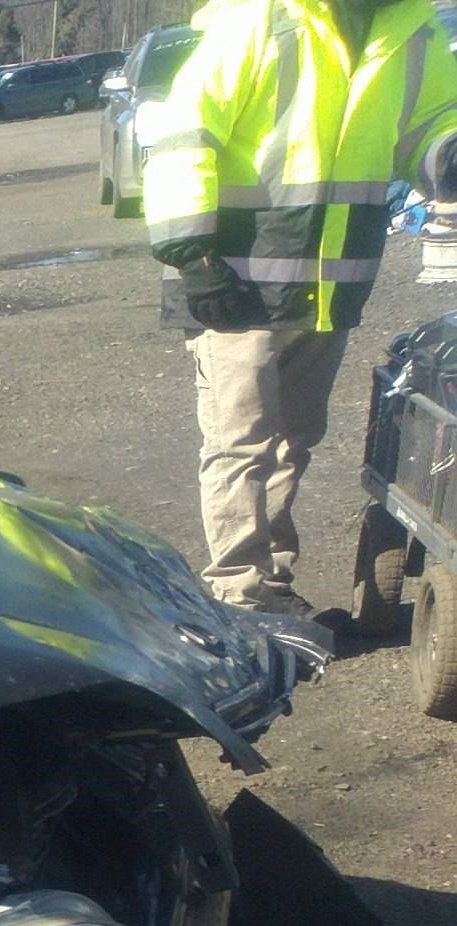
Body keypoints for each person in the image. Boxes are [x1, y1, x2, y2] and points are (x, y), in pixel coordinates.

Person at [144, 0, 457, 615]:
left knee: (292, 441)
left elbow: (430, 125)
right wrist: (189, 252)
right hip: (232, 277)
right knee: (242, 443)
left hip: (328, 282)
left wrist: (448, 156)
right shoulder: (257, 19)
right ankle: (241, 597)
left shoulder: (411, 30)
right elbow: (186, 133)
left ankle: (273, 583)